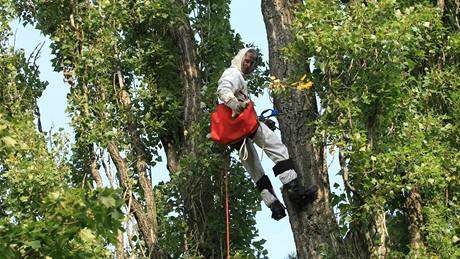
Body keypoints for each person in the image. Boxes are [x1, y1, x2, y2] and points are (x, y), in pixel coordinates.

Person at [217, 48, 318, 220]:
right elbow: (223, 89)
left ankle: (273, 204)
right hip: (244, 124)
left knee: (254, 168)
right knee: (278, 149)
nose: (248, 65)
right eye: (246, 60)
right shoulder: (233, 73)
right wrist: (234, 104)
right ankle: (294, 190)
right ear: (240, 58)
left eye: (251, 63)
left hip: (234, 132)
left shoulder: (237, 76)